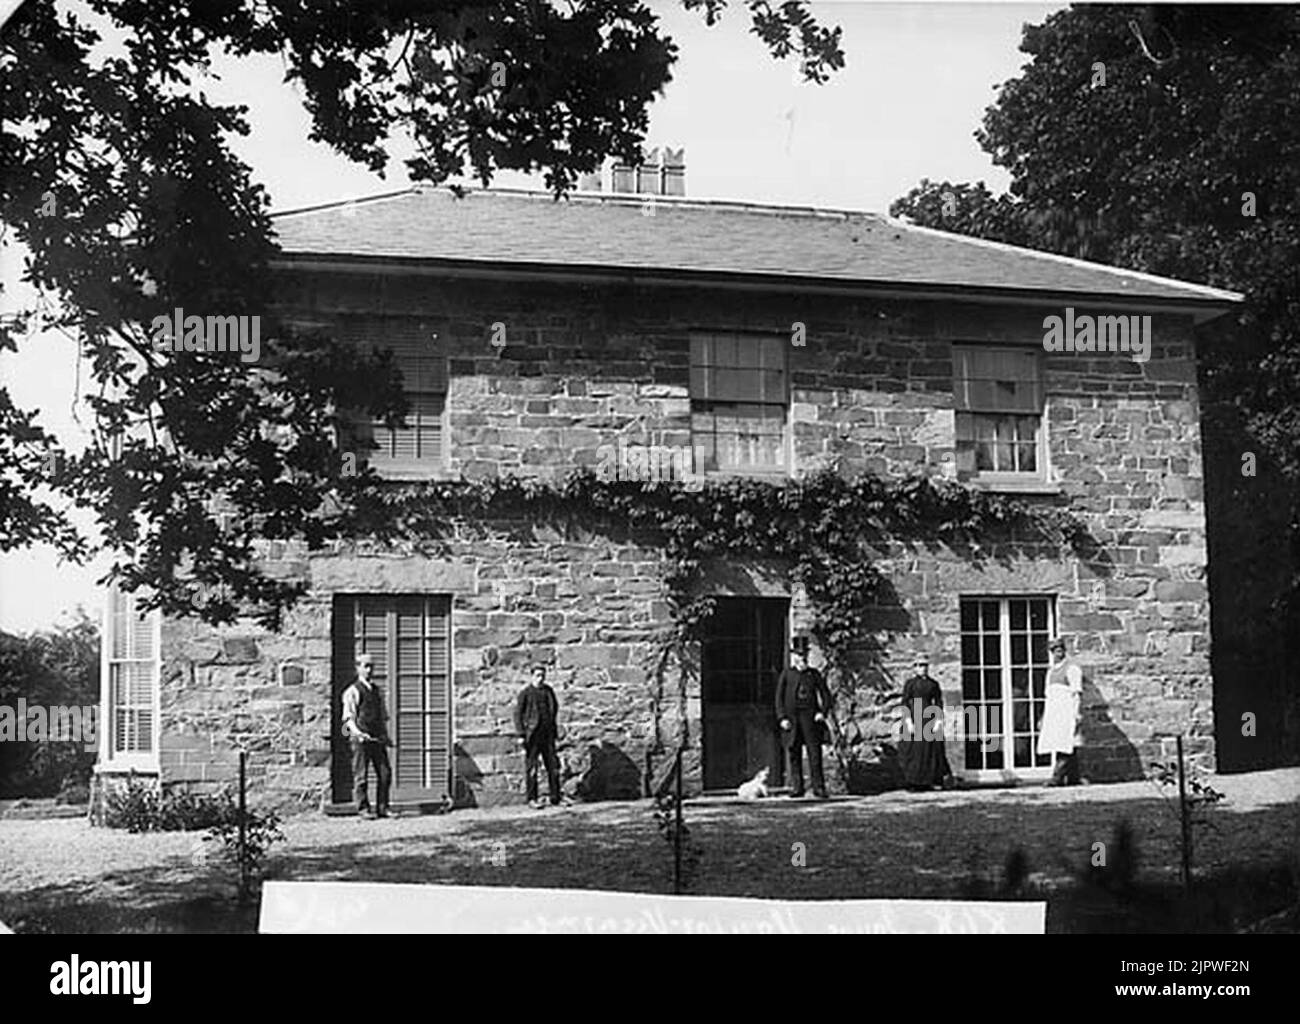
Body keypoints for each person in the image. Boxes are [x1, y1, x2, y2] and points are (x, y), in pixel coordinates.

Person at [775, 635, 832, 799]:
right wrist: (782, 718)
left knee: (815, 754)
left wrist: (822, 712)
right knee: (794, 754)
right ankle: (797, 787)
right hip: (792, 720)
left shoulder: (813, 675)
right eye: (799, 655)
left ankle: (818, 787)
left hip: (810, 719)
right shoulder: (787, 674)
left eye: (804, 655)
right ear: (794, 656)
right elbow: (778, 698)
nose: (802, 658)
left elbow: (825, 695)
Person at [342, 652, 392, 818]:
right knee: (361, 775)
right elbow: (348, 718)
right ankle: (363, 809)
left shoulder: (378, 691)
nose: (369, 670)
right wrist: (358, 733)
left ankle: (383, 807)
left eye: (372, 666)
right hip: (360, 739)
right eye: (366, 666)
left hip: (377, 738)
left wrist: (385, 735)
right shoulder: (352, 691)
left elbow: (383, 716)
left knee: (385, 773)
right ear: (358, 668)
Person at [897, 653, 953, 791]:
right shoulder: (910, 684)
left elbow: (939, 702)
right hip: (914, 716)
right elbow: (904, 702)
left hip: (928, 718)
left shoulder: (933, 684)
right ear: (914, 668)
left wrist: (938, 720)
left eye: (925, 665)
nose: (923, 668)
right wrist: (908, 721)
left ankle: (929, 780)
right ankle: (914, 782)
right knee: (914, 751)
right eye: (920, 665)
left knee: (930, 750)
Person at [1037, 637, 1084, 786]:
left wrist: (1076, 713)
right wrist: (1044, 717)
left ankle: (1056, 778)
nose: (1058, 653)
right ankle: (1073, 778)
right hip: (1054, 711)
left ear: (1064, 650)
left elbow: (1076, 692)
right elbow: (1048, 696)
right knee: (1062, 742)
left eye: (1060, 649)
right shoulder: (1051, 671)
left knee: (1065, 742)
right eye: (1055, 650)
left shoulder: (1072, 668)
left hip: (1067, 710)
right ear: (1051, 652)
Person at [515, 663, 561, 807]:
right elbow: (518, 715)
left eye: (543, 676)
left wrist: (553, 731)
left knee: (552, 767)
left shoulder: (548, 691)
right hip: (532, 736)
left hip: (547, 736)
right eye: (537, 675)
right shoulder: (526, 693)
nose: (540, 679)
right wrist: (521, 734)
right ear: (532, 676)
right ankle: (532, 799)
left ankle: (555, 797)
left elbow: (554, 708)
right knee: (532, 769)